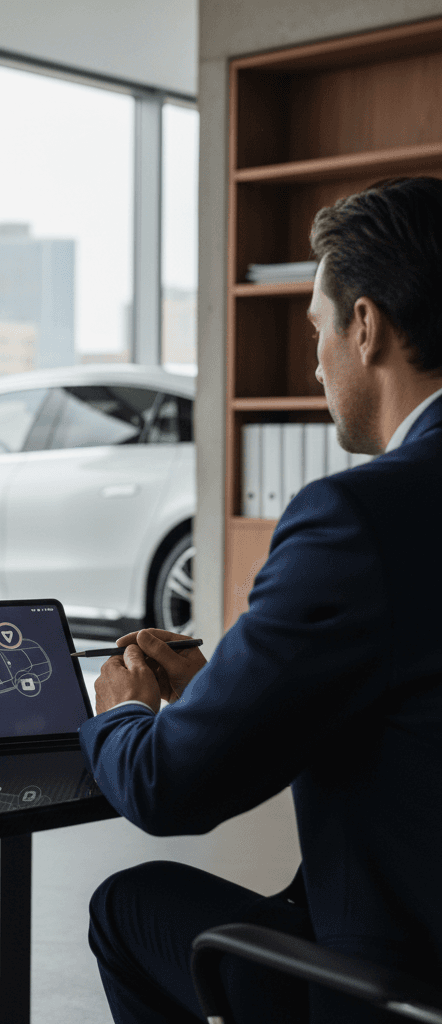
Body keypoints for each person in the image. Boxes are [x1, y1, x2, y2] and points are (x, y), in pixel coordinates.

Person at [80, 177, 442, 1023]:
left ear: (366, 325)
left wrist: (122, 714)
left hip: (399, 990)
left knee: (127, 908)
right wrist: (224, 687)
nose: (314, 360)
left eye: (316, 328)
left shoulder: (359, 517)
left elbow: (171, 787)